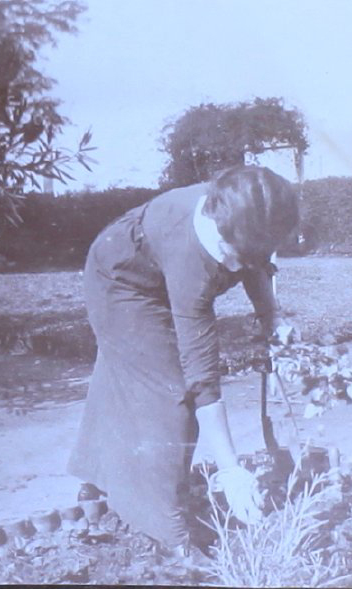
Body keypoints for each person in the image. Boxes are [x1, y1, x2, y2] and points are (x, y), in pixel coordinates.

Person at [67, 165, 299, 556]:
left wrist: (271, 317)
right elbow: (202, 378)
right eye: (236, 254)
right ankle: (166, 530)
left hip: (158, 272)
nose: (241, 264)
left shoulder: (245, 213)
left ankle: (97, 483)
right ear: (218, 228)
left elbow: (256, 262)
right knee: (170, 397)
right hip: (122, 283)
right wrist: (230, 470)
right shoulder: (191, 254)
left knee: (133, 384)